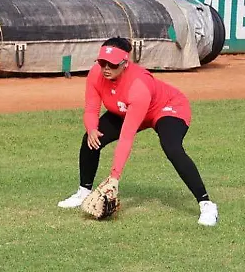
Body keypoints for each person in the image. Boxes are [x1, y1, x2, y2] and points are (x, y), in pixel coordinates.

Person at [56, 37, 218, 226]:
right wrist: (92, 128)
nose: (106, 67)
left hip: (167, 108)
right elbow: (91, 108)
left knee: (171, 147)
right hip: (126, 109)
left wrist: (114, 178)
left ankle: (207, 204)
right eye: (102, 62)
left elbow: (126, 137)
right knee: (91, 138)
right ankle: (83, 192)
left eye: (112, 64)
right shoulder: (96, 75)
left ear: (125, 63)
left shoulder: (138, 85)